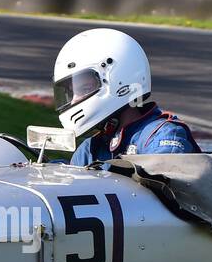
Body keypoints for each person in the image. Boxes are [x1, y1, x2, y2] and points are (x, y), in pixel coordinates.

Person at [53, 28, 200, 167]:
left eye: (84, 89)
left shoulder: (163, 135)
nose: (74, 101)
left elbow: (164, 185)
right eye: (72, 93)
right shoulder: (90, 150)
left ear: (118, 80)